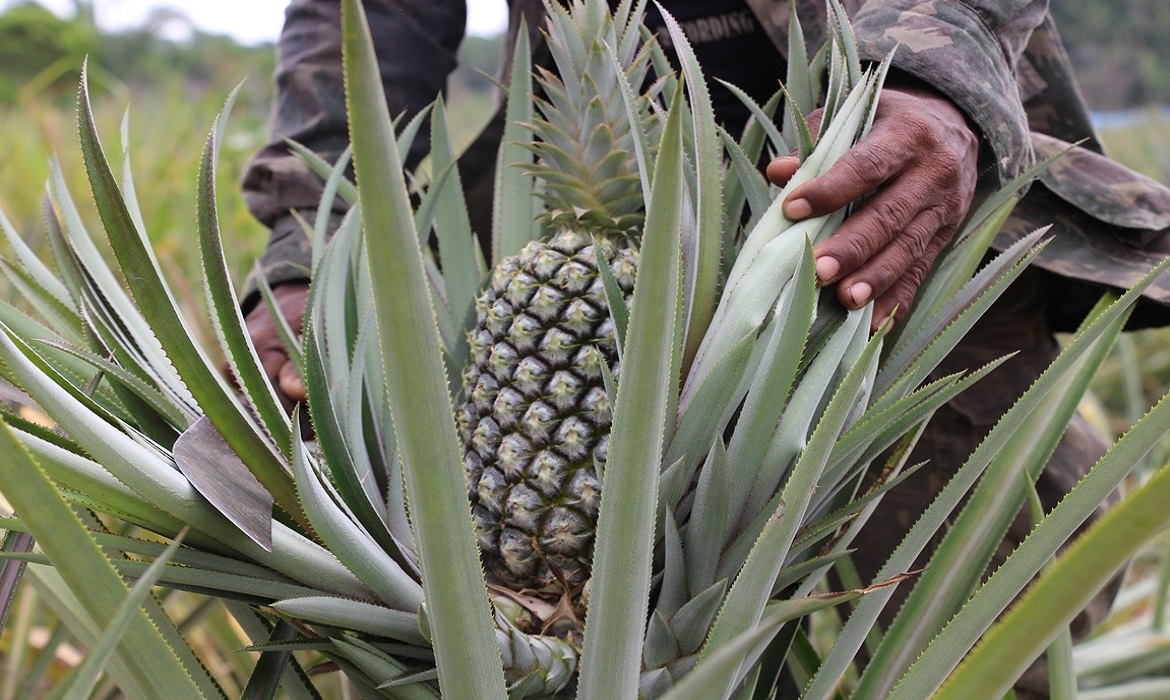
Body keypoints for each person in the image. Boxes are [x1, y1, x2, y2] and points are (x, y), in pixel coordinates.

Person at [239, 1, 1170, 696]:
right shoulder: (553, 275)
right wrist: (299, 237)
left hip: (862, 164)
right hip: (587, 187)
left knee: (983, 604)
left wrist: (940, 80)